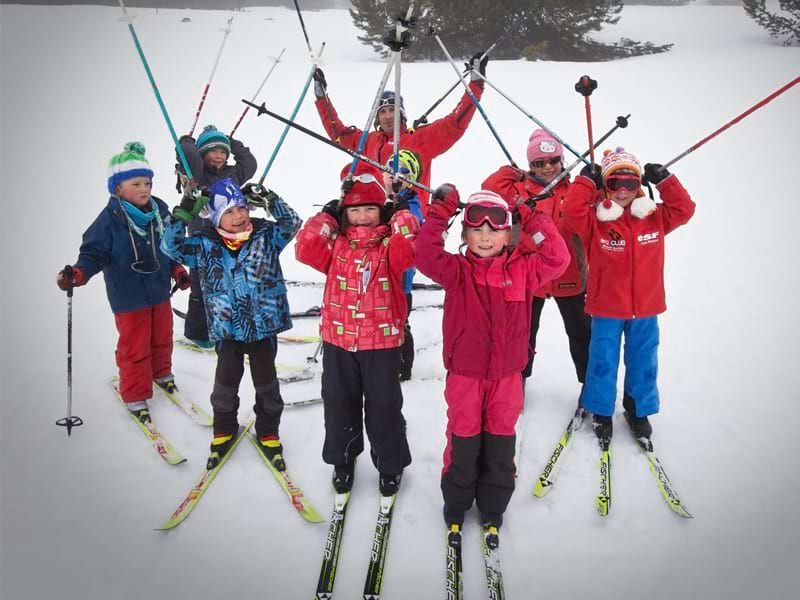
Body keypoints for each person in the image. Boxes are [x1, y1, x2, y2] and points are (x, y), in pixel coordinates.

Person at [415, 185, 569, 535]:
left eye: (494, 229)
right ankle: (456, 501)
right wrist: (440, 213)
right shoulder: (456, 271)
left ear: (507, 232)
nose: (485, 237)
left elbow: (558, 259)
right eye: (476, 230)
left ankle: (493, 504)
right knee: (464, 437)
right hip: (466, 375)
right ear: (466, 233)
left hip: (507, 377)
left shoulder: (525, 270)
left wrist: (533, 218)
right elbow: (424, 255)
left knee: (501, 438)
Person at [294, 162, 419, 496]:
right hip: (338, 341)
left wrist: (402, 215)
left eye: (370, 209)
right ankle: (342, 459)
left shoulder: (389, 246)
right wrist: (327, 217)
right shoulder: (335, 246)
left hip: (381, 344)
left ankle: (390, 465)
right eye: (354, 210)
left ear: (382, 210)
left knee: (383, 408)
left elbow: (411, 250)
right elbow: (304, 249)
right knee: (338, 404)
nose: (362, 217)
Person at [161, 178, 302, 470]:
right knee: (225, 385)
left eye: (241, 207)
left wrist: (269, 196)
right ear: (214, 217)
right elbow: (170, 245)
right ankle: (224, 429)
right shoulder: (204, 244)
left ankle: (268, 430)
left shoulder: (266, 235)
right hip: (228, 329)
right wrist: (184, 211)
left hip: (264, 325)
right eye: (228, 211)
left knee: (267, 384)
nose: (238, 216)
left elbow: (292, 222)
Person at [562, 147, 696, 441]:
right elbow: (570, 211)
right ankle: (600, 410)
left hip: (646, 307)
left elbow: (685, 209)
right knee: (603, 360)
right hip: (607, 307)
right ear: (605, 187)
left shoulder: (655, 218)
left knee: (643, 360)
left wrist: (665, 181)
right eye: (614, 183)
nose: (623, 191)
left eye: (631, 184)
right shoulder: (595, 221)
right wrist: (586, 182)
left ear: (639, 187)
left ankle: (638, 410)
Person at [56, 142, 191, 424]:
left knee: (163, 336)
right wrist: (79, 274)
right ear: (117, 188)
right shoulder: (109, 220)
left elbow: (168, 247)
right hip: (128, 295)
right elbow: (93, 253)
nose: (144, 189)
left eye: (147, 183)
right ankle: (134, 392)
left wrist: (177, 269)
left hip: (157, 291)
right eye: (136, 183)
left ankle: (161, 372)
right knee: (135, 345)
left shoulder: (158, 212)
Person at [482, 128, 592, 394]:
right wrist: (513, 172)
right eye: (538, 163)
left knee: (581, 334)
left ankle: (591, 385)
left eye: (554, 160)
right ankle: (518, 379)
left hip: (570, 274)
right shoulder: (520, 190)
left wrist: (591, 180)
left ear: (562, 160)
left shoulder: (574, 189)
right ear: (529, 164)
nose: (548, 168)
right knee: (523, 334)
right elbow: (490, 187)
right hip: (530, 276)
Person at [311, 53, 488, 209]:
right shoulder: (369, 141)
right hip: (377, 218)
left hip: (411, 218)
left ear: (401, 114)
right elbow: (338, 134)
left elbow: (454, 124)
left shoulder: (420, 139)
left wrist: (476, 84)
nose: (388, 116)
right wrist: (321, 98)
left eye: (392, 110)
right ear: (377, 118)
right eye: (382, 112)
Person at [176, 125, 258, 349]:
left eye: (223, 151)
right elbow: (188, 156)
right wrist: (187, 141)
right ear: (202, 154)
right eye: (213, 151)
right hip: (203, 237)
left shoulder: (232, 174)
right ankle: (198, 333)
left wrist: (232, 143)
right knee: (203, 285)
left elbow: (250, 164)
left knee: (231, 282)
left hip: (231, 236)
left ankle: (228, 323)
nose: (220, 156)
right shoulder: (198, 174)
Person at [382, 149, 424, 381]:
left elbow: (415, 231)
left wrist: (399, 212)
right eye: (390, 171)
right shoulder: (382, 199)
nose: (395, 176)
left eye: (404, 173)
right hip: (381, 278)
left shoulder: (411, 205)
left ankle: (403, 367)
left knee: (400, 324)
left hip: (401, 283)